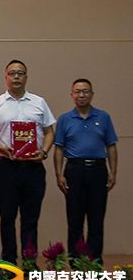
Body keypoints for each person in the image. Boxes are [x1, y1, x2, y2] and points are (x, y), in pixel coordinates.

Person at [0, 59, 55, 264]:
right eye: (12, 73)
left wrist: (44, 152)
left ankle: (29, 262)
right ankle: (8, 263)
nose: (16, 76)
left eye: (20, 73)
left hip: (34, 168)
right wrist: (2, 148)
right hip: (8, 167)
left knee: (31, 218)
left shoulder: (39, 102)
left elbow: (49, 131)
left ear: (26, 77)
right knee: (7, 218)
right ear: (6, 77)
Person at [54, 78, 117, 263]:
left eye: (85, 91)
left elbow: (111, 146)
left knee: (96, 220)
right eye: (78, 92)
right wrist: (59, 174)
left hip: (98, 170)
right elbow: (59, 148)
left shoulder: (103, 117)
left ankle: (94, 261)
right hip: (74, 170)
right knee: (75, 220)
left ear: (92, 94)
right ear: (72, 95)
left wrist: (113, 172)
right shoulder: (65, 119)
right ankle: (76, 262)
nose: (81, 95)